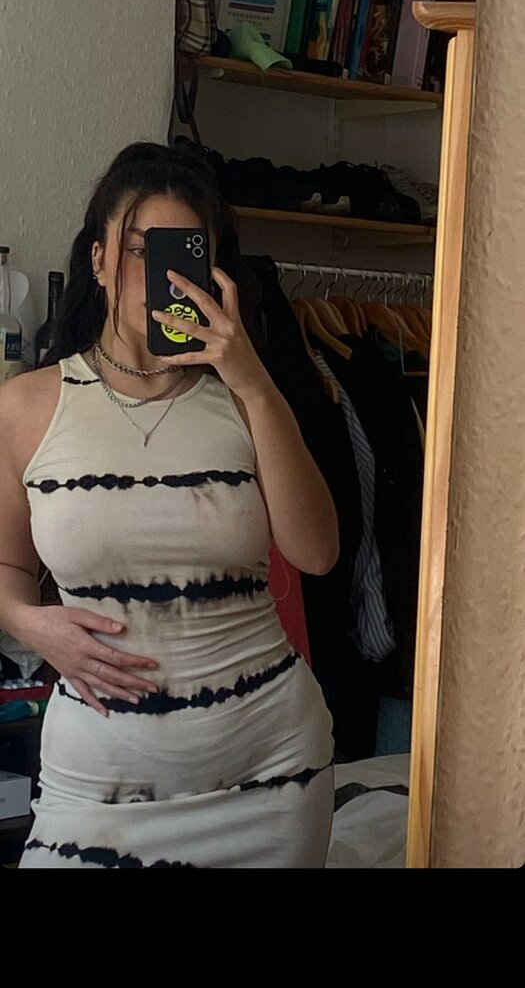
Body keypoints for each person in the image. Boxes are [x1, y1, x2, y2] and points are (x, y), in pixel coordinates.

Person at [0, 141, 339, 869]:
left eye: (183, 254)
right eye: (139, 251)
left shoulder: (248, 398)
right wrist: (29, 624)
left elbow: (317, 552)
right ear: (98, 260)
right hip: (98, 781)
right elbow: (6, 567)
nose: (162, 276)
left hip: (270, 770)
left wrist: (252, 381)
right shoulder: (25, 408)